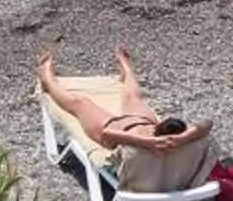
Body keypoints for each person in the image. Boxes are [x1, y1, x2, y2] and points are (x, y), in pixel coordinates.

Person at [35, 47, 209, 156]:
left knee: (81, 103)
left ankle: (47, 81)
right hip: (144, 122)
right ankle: (126, 67)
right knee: (133, 97)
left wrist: (149, 142)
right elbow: (208, 124)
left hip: (112, 127)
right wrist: (184, 138)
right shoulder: (182, 142)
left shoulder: (145, 147)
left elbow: (107, 135)